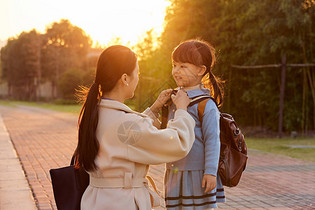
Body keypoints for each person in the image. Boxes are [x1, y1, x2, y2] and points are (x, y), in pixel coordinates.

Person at [75, 45, 196, 210]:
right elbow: (177, 143)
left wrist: (153, 109)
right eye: (137, 73)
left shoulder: (94, 114)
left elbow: (126, 135)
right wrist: (182, 110)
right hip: (123, 201)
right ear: (125, 79)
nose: (138, 78)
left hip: (95, 199)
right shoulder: (127, 123)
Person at [164, 40, 226, 209]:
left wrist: (210, 172)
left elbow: (213, 140)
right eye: (174, 65)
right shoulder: (174, 100)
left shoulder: (206, 104)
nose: (176, 71)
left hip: (198, 175)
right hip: (175, 172)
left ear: (200, 70)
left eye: (183, 66)